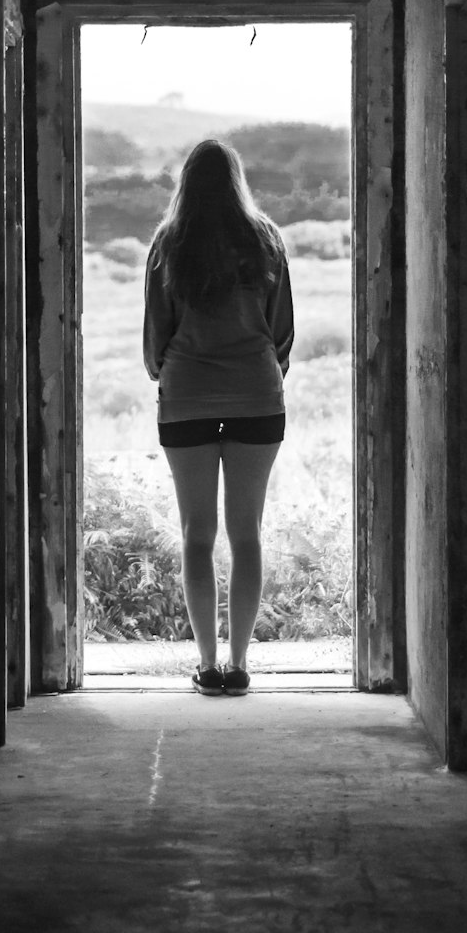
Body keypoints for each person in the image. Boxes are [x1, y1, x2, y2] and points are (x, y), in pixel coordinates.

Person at [143, 140, 294, 696]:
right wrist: (263, 370)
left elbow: (155, 333)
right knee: (247, 534)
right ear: (237, 181)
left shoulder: (169, 242)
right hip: (256, 394)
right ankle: (239, 663)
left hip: (186, 399)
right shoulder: (265, 239)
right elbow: (283, 330)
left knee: (196, 535)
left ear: (186, 182)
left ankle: (206, 666)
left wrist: (174, 375)